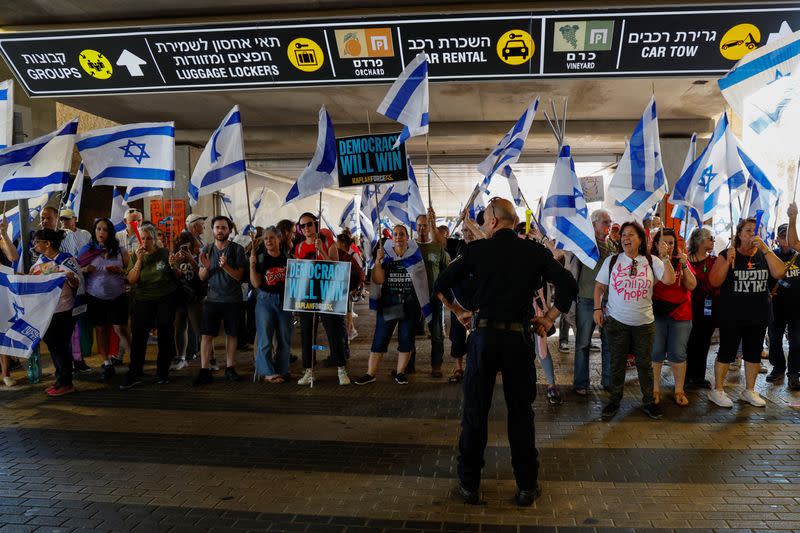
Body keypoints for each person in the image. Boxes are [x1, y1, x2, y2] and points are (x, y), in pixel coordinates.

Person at [434, 198, 578, 507]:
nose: (484, 225)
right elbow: (567, 284)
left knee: (475, 411)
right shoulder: (535, 252)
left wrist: (459, 312)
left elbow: (442, 282)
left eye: (485, 220)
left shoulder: (475, 251)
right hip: (518, 340)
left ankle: (469, 483)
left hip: (483, 338)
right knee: (521, 414)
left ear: (494, 222)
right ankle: (527, 484)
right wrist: (549, 318)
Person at [594, 221, 675, 420]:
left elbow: (669, 280)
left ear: (641, 239)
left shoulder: (652, 260)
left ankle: (648, 402)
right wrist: (597, 308)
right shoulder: (612, 261)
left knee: (644, 364)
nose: (625, 238)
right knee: (617, 363)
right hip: (617, 322)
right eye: (623, 235)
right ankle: (614, 401)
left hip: (644, 324)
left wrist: (665, 258)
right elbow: (599, 287)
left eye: (630, 234)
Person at [707, 218, 785, 407]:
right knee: (727, 352)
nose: (753, 234)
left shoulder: (765, 254)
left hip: (759, 314)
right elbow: (714, 281)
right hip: (732, 314)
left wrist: (766, 249)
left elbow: (780, 272)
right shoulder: (727, 254)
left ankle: (749, 390)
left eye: (756, 230)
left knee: (753, 353)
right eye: (749, 230)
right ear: (739, 234)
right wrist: (728, 262)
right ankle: (717, 390)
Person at [354, 224, 427, 386]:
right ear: (392, 238)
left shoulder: (415, 255)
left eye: (402, 234)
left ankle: (400, 373)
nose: (399, 237)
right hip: (390, 304)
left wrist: (423, 305)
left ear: (407, 237)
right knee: (380, 337)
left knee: (406, 339)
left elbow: (422, 283)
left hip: (410, 305)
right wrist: (378, 262)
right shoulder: (385, 256)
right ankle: (370, 373)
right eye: (396, 234)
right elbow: (378, 280)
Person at [292, 213, 350, 386]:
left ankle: (341, 369)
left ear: (315, 224)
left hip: (328, 296)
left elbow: (336, 268)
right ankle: (309, 371)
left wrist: (322, 251)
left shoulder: (327, 243)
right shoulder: (299, 247)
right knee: (307, 335)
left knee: (334, 332)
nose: (306, 229)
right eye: (302, 226)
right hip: (308, 297)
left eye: (309, 224)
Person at [30, 228, 85, 396]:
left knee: (59, 346)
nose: (34, 244)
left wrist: (70, 278)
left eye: (37, 241)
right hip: (46, 311)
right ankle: (61, 379)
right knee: (55, 346)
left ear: (47, 243)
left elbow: (78, 283)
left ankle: (65, 382)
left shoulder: (67, 260)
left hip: (64, 310)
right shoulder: (39, 263)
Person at [193, 216, 247, 386]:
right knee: (206, 334)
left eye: (224, 227)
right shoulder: (207, 250)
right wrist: (206, 267)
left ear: (229, 230)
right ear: (213, 229)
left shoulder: (237, 249)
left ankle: (230, 367)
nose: (220, 230)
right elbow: (201, 277)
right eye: (217, 227)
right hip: (213, 299)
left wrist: (226, 267)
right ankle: (204, 369)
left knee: (232, 334)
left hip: (232, 299)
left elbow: (239, 276)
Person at [124, 224, 179, 389]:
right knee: (139, 335)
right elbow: (132, 280)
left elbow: (177, 276)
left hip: (165, 298)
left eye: (149, 238)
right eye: (143, 238)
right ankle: (135, 372)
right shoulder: (136, 255)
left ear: (155, 240)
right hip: (143, 299)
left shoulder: (164, 253)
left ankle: (163, 372)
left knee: (165, 333)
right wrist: (139, 261)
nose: (146, 242)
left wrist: (174, 265)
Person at [77, 218, 132, 382]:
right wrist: (85, 269)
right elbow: (76, 268)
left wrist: (120, 271)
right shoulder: (87, 250)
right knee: (100, 329)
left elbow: (130, 272)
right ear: (94, 231)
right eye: (98, 229)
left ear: (110, 232)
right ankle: (107, 363)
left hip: (118, 295)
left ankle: (135, 362)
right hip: (95, 296)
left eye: (105, 229)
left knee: (121, 329)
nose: (101, 232)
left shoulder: (120, 250)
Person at [650, 228, 696, 407]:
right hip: (657, 313)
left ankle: (679, 390)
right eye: (664, 242)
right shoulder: (651, 261)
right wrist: (663, 260)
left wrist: (684, 265)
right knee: (656, 352)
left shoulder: (681, 260)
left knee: (678, 352)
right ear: (656, 244)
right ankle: (654, 389)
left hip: (681, 313)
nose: (668, 246)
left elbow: (692, 285)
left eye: (671, 243)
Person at [573, 209, 616, 396]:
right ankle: (581, 383)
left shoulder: (614, 246)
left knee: (609, 343)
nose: (609, 225)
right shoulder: (585, 246)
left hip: (608, 302)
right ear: (593, 224)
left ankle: (608, 380)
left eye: (610, 221)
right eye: (605, 222)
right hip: (586, 300)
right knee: (583, 343)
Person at [408, 209, 449, 377]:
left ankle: (436, 366)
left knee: (437, 333)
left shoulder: (437, 247)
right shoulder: (410, 247)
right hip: (413, 297)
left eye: (425, 225)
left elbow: (446, 271)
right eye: (419, 226)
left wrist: (443, 293)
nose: (422, 229)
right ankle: (408, 365)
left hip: (433, 298)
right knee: (408, 332)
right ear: (415, 227)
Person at [250, 226, 292, 383]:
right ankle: (267, 372)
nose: (268, 241)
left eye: (272, 238)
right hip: (265, 300)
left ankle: (282, 370)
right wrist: (252, 266)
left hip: (285, 301)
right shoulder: (260, 258)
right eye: (266, 238)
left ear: (279, 239)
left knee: (284, 337)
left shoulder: (288, 258)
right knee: (265, 337)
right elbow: (255, 283)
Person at [768, 223, 800, 390]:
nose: (786, 241)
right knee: (774, 340)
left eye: (788, 237)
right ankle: (778, 368)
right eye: (782, 237)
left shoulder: (799, 255)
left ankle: (794, 373)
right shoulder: (772, 256)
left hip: (797, 308)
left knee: (796, 342)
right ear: (778, 239)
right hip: (777, 307)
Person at [685, 227, 718, 389]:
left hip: (708, 308)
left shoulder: (714, 260)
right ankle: (684, 376)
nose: (713, 241)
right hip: (689, 306)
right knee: (688, 342)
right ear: (700, 241)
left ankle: (698, 375)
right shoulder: (686, 260)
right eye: (710, 238)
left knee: (704, 342)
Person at [170, 231, 204, 371]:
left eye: (188, 245)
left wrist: (192, 259)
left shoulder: (199, 256)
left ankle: (209, 358)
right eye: (181, 245)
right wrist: (174, 264)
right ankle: (181, 357)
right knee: (179, 327)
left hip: (194, 297)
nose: (184, 249)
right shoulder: (174, 257)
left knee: (199, 329)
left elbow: (202, 275)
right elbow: (175, 277)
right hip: (179, 296)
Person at [0, 215, 19, 386]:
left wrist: (4, 234)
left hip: (3, 294)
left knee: (3, 333)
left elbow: (13, 257)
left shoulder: (1, 241)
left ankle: (6, 374)